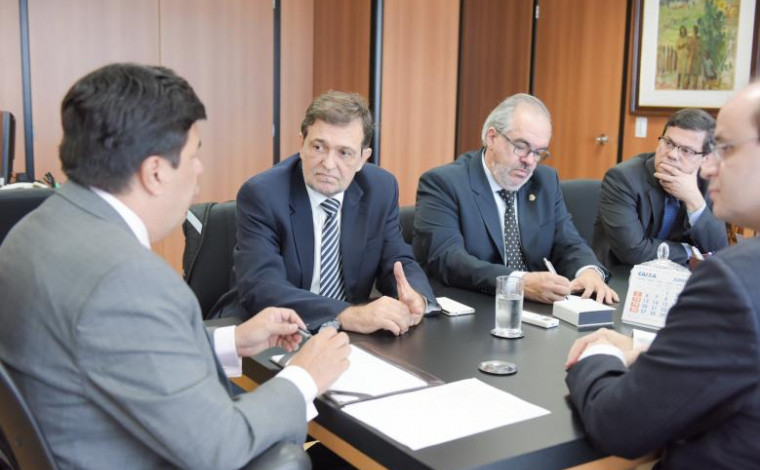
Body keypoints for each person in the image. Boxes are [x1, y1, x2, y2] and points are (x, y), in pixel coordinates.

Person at [0, 63, 350, 470]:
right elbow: (220, 448)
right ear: (155, 172)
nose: (199, 169)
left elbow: (118, 348)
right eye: (193, 155)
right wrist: (305, 376)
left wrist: (232, 341)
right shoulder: (128, 280)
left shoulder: (32, 231)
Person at [565, 81, 760, 469]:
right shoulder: (625, 177)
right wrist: (653, 352)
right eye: (669, 144)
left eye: (725, 149)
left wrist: (599, 352)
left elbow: (620, 426)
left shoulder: (732, 282)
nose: (708, 167)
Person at [214, 90, 438, 335]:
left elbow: (397, 259)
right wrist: (347, 315)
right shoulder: (263, 194)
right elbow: (263, 287)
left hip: (347, 335)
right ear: (302, 144)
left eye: (344, 153)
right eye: (319, 147)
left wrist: (416, 295)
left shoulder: (380, 189)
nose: (329, 164)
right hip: (265, 330)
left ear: (363, 158)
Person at [414, 93, 618, 304]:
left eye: (538, 152)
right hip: (474, 304)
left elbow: (568, 243)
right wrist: (518, 283)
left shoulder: (545, 181)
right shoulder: (444, 183)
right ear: (491, 138)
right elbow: (448, 259)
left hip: (536, 308)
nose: (529, 161)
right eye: (521, 146)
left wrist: (588, 272)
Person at [593, 108, 728, 267]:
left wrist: (694, 200)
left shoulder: (708, 182)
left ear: (705, 158)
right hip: (624, 273)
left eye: (686, 150)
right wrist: (689, 251)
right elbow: (633, 252)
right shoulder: (623, 178)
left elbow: (718, 250)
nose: (672, 155)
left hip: (683, 275)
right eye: (668, 143)